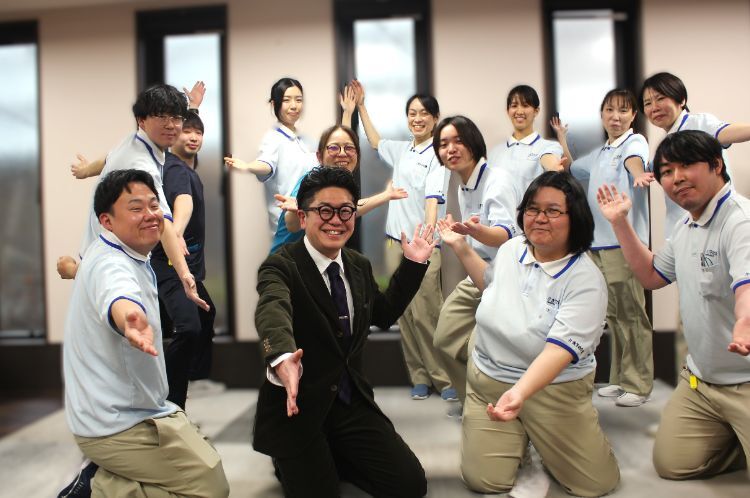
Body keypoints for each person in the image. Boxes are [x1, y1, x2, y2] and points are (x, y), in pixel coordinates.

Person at [253, 166, 433, 497]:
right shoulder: (281, 265)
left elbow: (382, 314)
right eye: (324, 210)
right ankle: (292, 456)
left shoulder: (358, 265)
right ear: (303, 217)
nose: (336, 220)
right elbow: (272, 309)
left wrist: (413, 265)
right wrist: (280, 355)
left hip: (349, 402)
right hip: (299, 406)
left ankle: (334, 452)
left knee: (409, 486)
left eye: (345, 211)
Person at [438, 171, 619, 496]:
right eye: (533, 209)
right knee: (485, 481)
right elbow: (490, 287)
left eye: (553, 210)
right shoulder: (512, 249)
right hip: (490, 380)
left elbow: (558, 352)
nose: (540, 218)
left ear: (575, 218)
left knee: (595, 485)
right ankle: (519, 437)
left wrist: (519, 393)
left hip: (553, 389)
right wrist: (461, 247)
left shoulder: (585, 279)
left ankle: (541, 435)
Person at [60, 169, 228, 497]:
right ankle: (96, 488)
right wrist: (129, 319)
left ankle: (105, 480)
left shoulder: (123, 253)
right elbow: (117, 294)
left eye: (154, 205)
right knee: (208, 486)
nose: (151, 214)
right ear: (107, 221)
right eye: (136, 208)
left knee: (208, 464)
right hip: (113, 423)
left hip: (140, 406)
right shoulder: (113, 264)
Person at [597, 130, 750, 481]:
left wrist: (745, 321)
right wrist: (619, 223)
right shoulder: (686, 224)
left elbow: (746, 286)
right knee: (673, 464)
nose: (676, 178)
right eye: (666, 171)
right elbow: (652, 275)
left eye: (686, 165)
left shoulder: (740, 221)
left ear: (716, 165)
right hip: (703, 384)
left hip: (746, 381)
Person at [56, 84, 208, 312]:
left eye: (176, 118)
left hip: (102, 249)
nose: (171, 125)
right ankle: (79, 271)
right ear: (142, 120)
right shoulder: (143, 165)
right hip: (116, 256)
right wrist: (185, 273)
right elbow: (164, 220)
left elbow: (108, 158)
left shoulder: (134, 142)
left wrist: (86, 171)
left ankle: (79, 271)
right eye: (162, 117)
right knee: (127, 313)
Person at [350, 80, 452, 401]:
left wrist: (428, 239)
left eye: (423, 113)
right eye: (412, 113)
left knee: (427, 314)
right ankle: (419, 376)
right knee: (403, 313)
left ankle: (444, 378)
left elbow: (433, 200)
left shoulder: (437, 154)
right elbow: (375, 141)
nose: (417, 118)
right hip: (395, 244)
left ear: (435, 119)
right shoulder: (404, 149)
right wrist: (361, 106)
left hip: (422, 247)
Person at [552, 89, 654, 407]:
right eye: (610, 110)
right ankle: (620, 379)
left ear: (633, 115)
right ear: (602, 115)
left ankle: (639, 383)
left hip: (625, 243)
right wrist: (562, 138)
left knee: (632, 313)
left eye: (623, 111)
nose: (616, 117)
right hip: (598, 244)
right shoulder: (601, 153)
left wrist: (639, 176)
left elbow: (635, 162)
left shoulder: (634, 143)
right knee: (614, 314)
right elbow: (571, 168)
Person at [432, 115, 521, 406]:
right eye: (443, 144)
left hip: (507, 277)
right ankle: (473, 402)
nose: (450, 149)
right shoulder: (463, 184)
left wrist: (474, 231)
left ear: (473, 143)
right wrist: (468, 234)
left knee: (485, 348)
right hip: (478, 273)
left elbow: (505, 234)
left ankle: (496, 406)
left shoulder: (497, 180)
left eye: (458, 141)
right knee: (444, 339)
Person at [225, 78, 354, 235]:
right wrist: (247, 166)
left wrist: (347, 113)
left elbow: (339, 153)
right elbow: (266, 164)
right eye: (287, 100)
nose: (294, 106)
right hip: (287, 229)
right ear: (274, 104)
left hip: (310, 224)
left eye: (298, 100)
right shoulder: (273, 138)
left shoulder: (305, 141)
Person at [149, 111, 217, 409]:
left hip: (189, 269)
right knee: (189, 328)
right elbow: (182, 202)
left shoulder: (186, 167)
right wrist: (175, 232)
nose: (193, 137)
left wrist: (194, 107)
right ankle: (169, 400)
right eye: (186, 131)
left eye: (198, 132)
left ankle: (185, 376)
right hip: (171, 266)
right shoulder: (175, 169)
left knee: (205, 314)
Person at [639, 72, 750, 238]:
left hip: (714, 224)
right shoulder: (664, 145)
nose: (654, 107)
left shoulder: (698, 123)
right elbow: (646, 171)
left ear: (682, 100)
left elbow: (727, 132)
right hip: (680, 230)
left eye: (660, 98)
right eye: (647, 103)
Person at [271, 124, 407, 254]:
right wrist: (297, 210)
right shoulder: (312, 181)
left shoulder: (339, 186)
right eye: (334, 148)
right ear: (319, 156)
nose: (342, 153)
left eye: (349, 148)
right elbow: (292, 225)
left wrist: (386, 195)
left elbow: (353, 208)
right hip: (286, 263)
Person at [488, 85, 565, 184]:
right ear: (508, 111)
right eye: (514, 106)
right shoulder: (495, 152)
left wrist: (553, 167)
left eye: (525, 105)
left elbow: (549, 159)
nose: (519, 111)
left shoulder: (549, 146)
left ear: (536, 111)